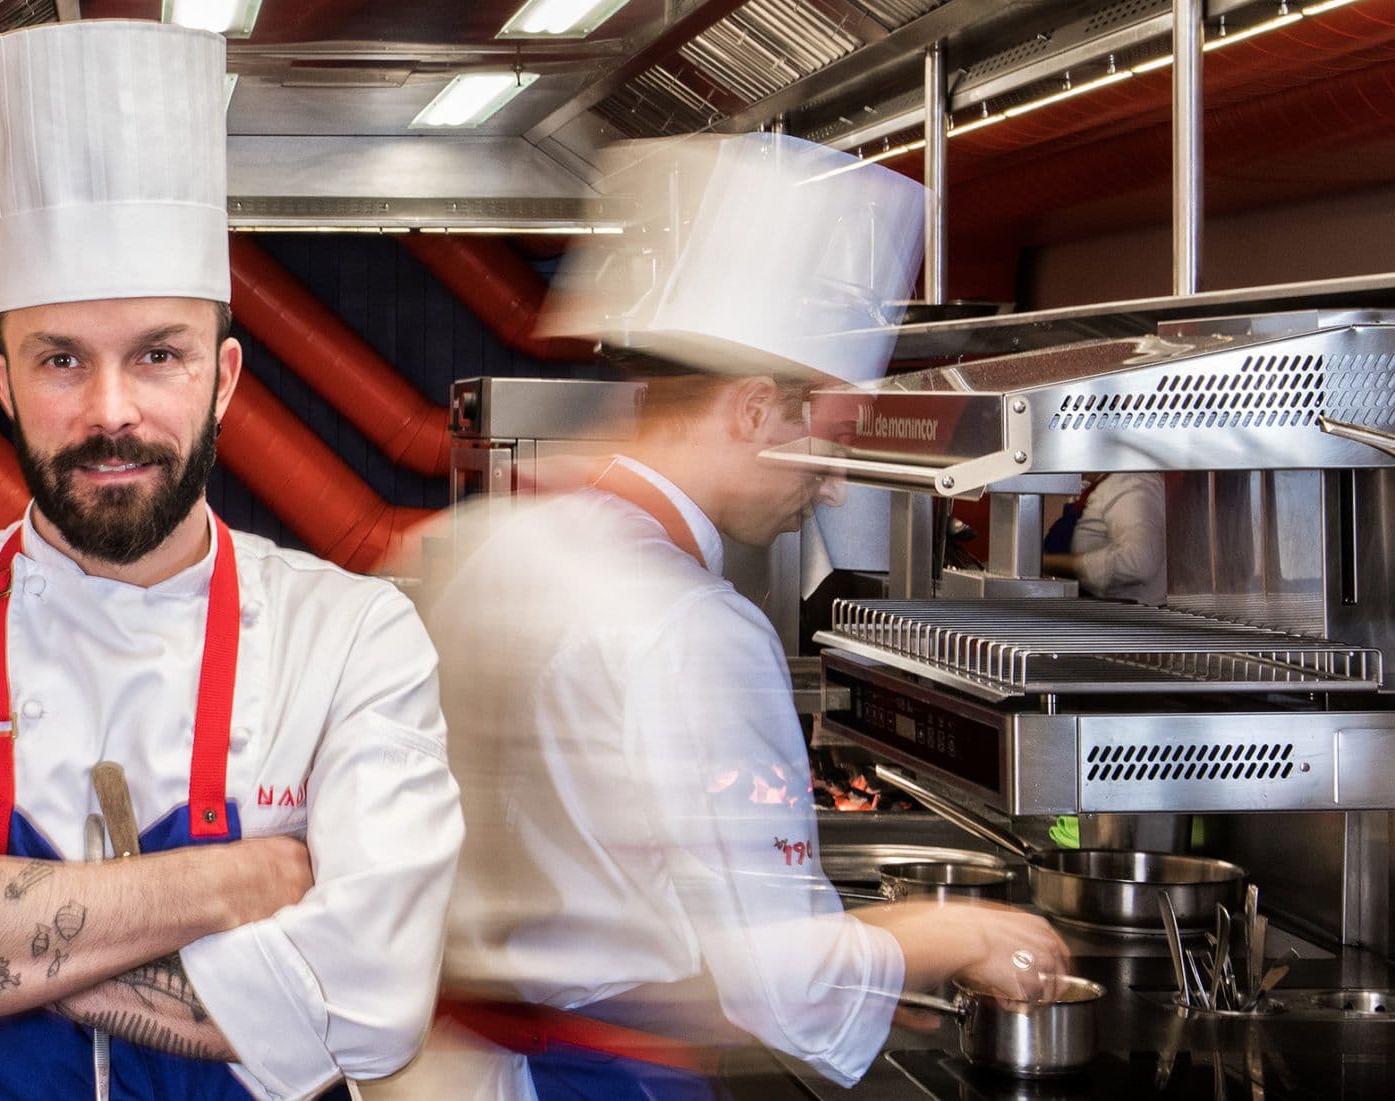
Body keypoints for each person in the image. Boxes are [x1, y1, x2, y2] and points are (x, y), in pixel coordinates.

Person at [0, 19, 463, 1101]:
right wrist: (241, 882)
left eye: (158, 354)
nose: (111, 412)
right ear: (3, 389)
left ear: (223, 381)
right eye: (60, 360)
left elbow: (369, 1012)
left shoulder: (352, 638)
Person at [388, 134, 1070, 1101]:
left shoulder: (493, 542)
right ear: (753, 410)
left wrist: (872, 968)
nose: (834, 491)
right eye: (828, 447)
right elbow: (775, 977)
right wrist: (955, 933)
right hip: (596, 1080)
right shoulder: (693, 625)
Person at [1042, 472, 1168, 603]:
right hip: (1098, 613)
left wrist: (1051, 564)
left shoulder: (1130, 483)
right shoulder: (1094, 486)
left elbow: (1139, 563)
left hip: (1132, 617)